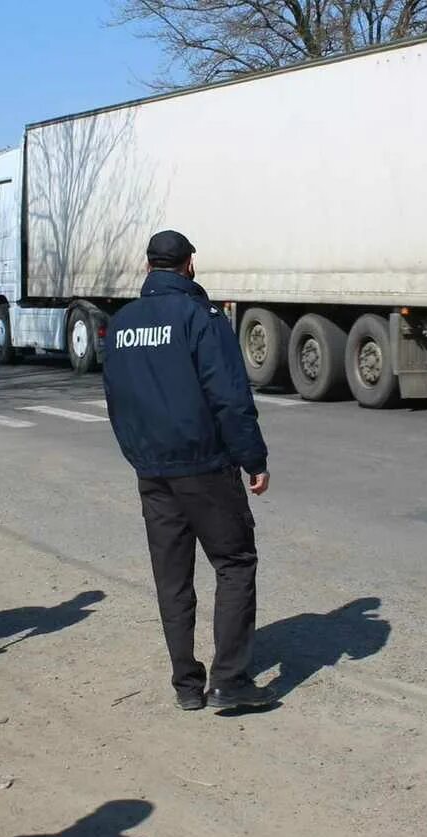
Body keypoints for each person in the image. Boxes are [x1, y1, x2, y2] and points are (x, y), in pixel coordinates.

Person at [102, 230, 275, 712]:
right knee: (235, 562)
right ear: (189, 265)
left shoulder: (122, 323)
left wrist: (137, 454)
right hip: (204, 466)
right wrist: (254, 460)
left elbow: (115, 398)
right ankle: (229, 681)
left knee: (172, 577)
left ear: (148, 266)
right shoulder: (201, 318)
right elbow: (229, 397)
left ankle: (185, 685)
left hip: (152, 470)